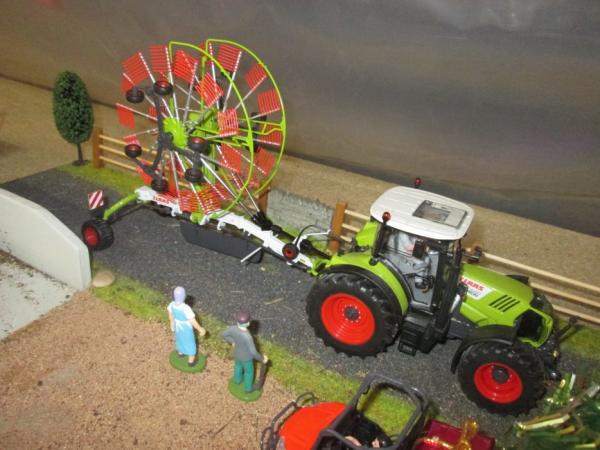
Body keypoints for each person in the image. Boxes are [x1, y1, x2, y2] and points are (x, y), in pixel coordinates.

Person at [221, 310, 268, 393]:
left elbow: (223, 334)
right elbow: (253, 352)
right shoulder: (247, 336)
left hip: (237, 354)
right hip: (247, 358)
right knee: (249, 372)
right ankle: (248, 388)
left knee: (238, 367)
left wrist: (232, 341)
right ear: (248, 323)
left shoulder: (232, 328)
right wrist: (262, 359)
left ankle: (237, 380)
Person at [167, 286, 206, 366]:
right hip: (186, 328)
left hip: (177, 326)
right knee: (190, 342)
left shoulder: (171, 304)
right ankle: (191, 361)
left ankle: (180, 352)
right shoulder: (186, 308)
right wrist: (200, 329)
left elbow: (170, 316)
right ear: (184, 296)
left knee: (179, 339)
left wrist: (172, 324)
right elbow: (193, 321)